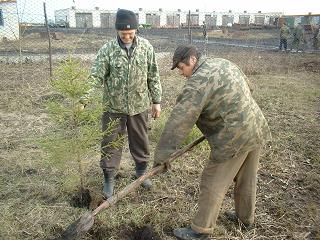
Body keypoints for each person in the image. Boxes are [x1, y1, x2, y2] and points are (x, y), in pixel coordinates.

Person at [153, 45, 271, 239]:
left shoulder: (197, 84)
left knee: (212, 182)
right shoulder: (224, 63)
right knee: (246, 178)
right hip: (255, 126)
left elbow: (179, 122)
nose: (182, 74)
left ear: (192, 60)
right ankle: (245, 220)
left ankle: (200, 230)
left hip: (233, 138)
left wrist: (162, 156)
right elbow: (249, 88)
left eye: (182, 68)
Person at [86, 9, 162, 198]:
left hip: (139, 105)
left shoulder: (146, 47)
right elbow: (96, 76)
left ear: (136, 30)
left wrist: (157, 101)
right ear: (117, 31)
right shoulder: (108, 50)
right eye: (123, 33)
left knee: (141, 141)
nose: (127, 37)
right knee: (110, 143)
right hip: (113, 107)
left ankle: (141, 173)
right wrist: (83, 98)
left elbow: (153, 75)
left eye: (131, 33)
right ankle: (109, 178)